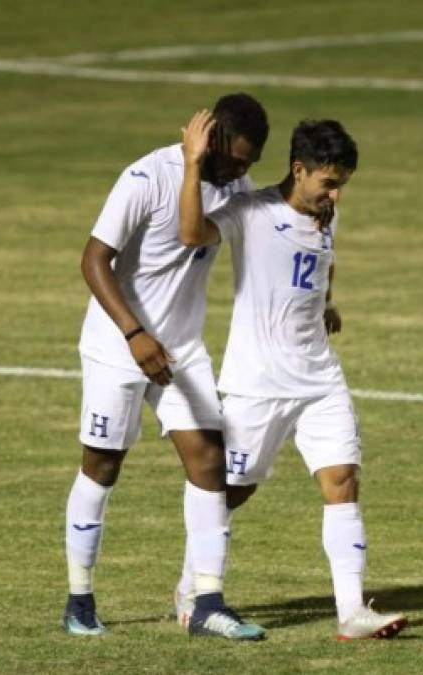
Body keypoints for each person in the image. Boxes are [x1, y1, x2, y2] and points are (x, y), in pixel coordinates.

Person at [176, 111, 408, 640]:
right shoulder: (250, 211)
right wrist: (192, 165)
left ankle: (351, 612)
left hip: (319, 375)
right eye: (329, 183)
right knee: (232, 491)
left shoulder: (327, 212)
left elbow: (321, 261)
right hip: (258, 382)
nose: (336, 195)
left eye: (342, 185)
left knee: (342, 479)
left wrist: (326, 302)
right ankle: (193, 585)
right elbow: (191, 233)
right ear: (298, 170)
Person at [64, 93, 269, 641]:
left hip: (181, 350)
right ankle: (79, 599)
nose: (242, 172)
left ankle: (206, 602)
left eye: (251, 164)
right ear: (214, 141)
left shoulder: (234, 188)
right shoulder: (146, 176)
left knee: (209, 461)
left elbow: (198, 232)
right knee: (102, 466)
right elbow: (93, 259)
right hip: (118, 347)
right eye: (237, 159)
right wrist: (134, 334)